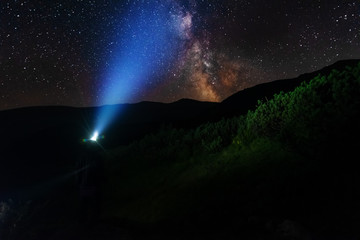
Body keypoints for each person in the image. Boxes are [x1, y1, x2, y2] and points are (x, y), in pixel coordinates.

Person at [75, 142, 104, 224]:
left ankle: (84, 221)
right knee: (93, 204)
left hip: (86, 184)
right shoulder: (97, 156)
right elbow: (101, 170)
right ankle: (91, 221)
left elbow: (78, 171)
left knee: (85, 204)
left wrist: (78, 182)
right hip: (92, 184)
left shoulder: (82, 157)